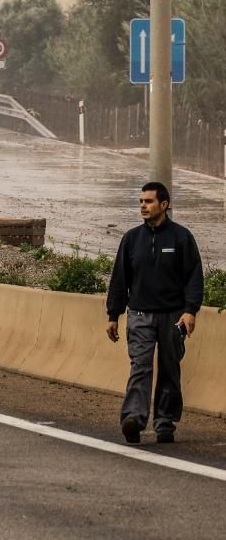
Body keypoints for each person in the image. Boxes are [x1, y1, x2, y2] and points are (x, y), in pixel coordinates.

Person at [106, 181, 203, 445]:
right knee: (140, 366)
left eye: (148, 202)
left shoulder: (181, 237)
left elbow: (194, 277)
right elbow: (119, 279)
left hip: (173, 316)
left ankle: (165, 422)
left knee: (170, 369)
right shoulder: (131, 239)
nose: (143, 206)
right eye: (141, 202)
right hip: (139, 314)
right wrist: (113, 314)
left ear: (164, 204)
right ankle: (134, 420)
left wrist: (190, 311)